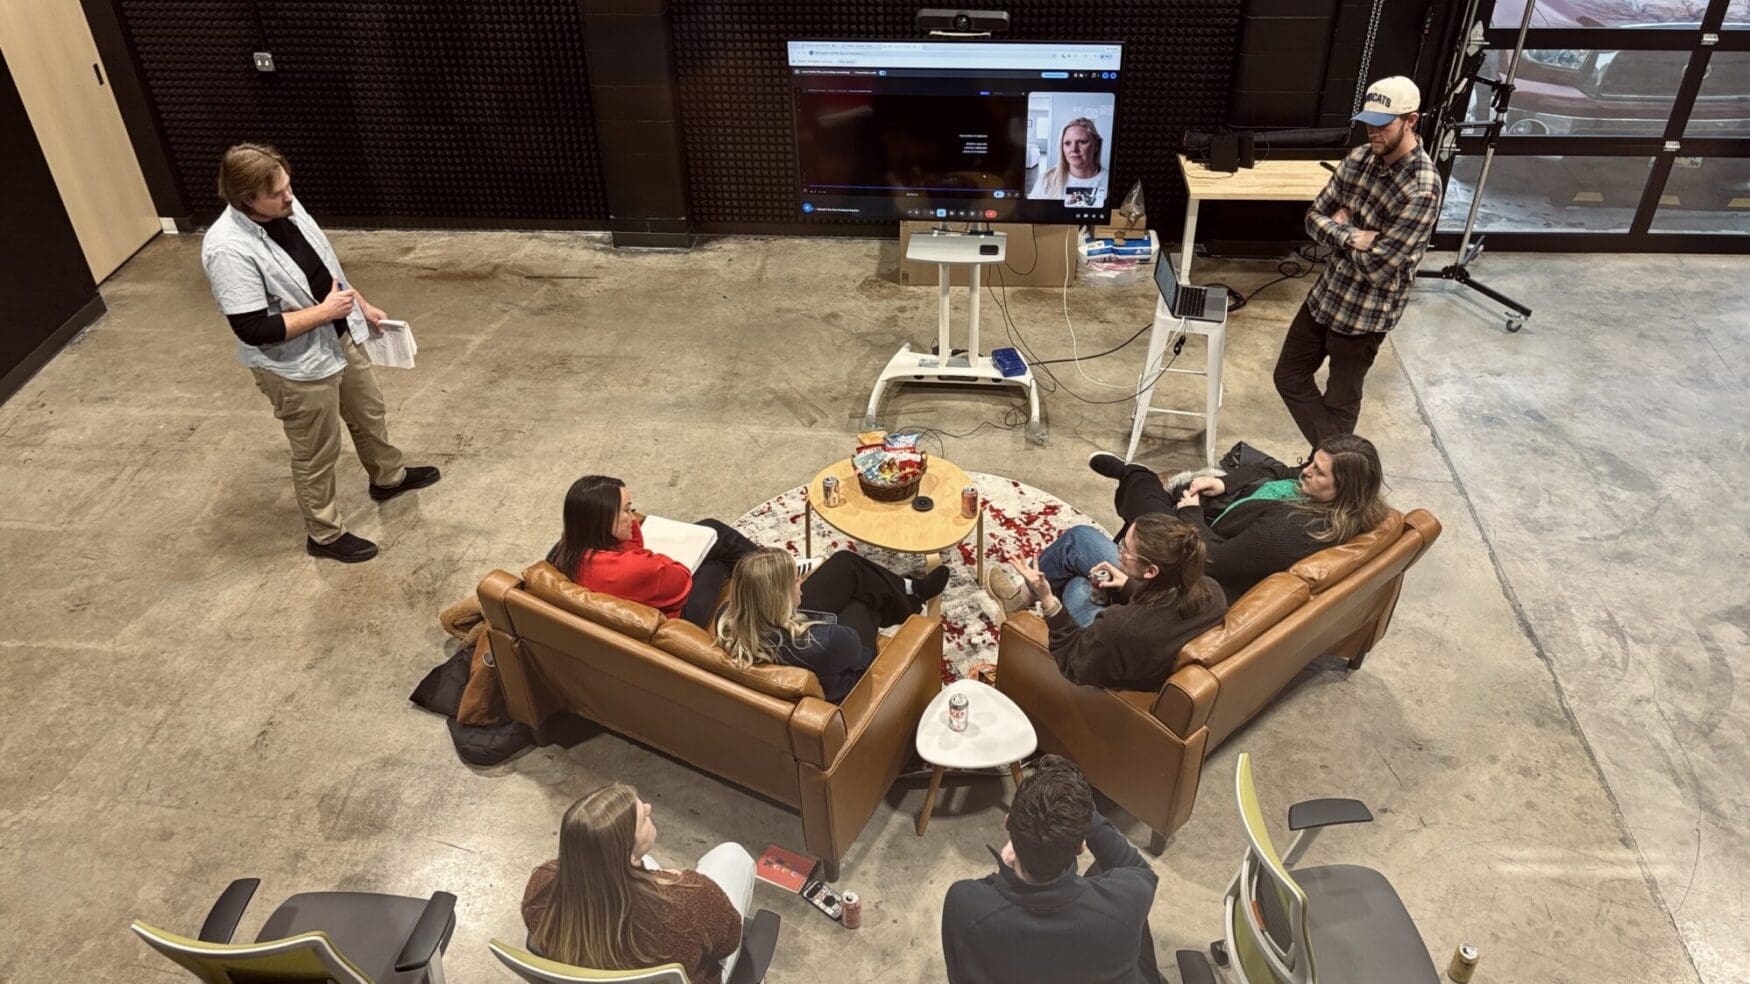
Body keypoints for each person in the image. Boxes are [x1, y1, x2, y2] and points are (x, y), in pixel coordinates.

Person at [200, 143, 439, 563]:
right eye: (277, 193)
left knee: (369, 411)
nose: (289, 196)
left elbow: (323, 265)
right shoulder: (227, 249)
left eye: (289, 186)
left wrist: (358, 302)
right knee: (316, 449)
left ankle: (388, 477)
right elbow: (255, 329)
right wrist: (325, 312)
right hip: (296, 367)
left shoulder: (285, 206)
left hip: (338, 335)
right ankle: (324, 534)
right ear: (247, 200)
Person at [1275, 76, 1441, 452]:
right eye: (1369, 122)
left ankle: (1332, 474)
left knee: (1340, 403)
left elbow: (1379, 268)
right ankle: (1336, 465)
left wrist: (1340, 225)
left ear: (1410, 121)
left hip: (1364, 317)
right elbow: (1312, 218)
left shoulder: (1422, 188)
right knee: (1288, 375)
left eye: (1383, 125)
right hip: (1326, 296)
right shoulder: (1360, 158)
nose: (1373, 132)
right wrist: (1354, 235)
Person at [941, 754, 1162, 984]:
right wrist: (1083, 812)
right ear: (1081, 846)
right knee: (1108, 872)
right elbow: (1141, 871)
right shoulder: (1124, 902)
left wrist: (1001, 876)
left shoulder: (963, 904)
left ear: (1008, 822)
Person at [1087, 436, 1388, 601]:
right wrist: (1225, 484)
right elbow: (1279, 470)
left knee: (1145, 494)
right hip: (1217, 524)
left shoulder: (1292, 529)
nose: (1307, 470)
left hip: (1197, 558)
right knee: (1158, 497)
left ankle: (1131, 474)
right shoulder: (1334, 501)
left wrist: (1190, 512)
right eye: (1311, 461)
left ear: (1345, 487)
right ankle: (1132, 488)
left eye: (1318, 471)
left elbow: (1215, 558)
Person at [522, 783, 755, 984]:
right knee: (732, 856)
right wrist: (677, 884)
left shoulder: (541, 886)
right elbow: (729, 942)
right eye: (643, 818)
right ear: (630, 858)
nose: (648, 808)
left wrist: (658, 880)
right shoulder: (688, 901)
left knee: (651, 863)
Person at [984, 514, 1226, 691]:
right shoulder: (1211, 591)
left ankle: (1019, 603)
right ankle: (1018, 600)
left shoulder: (1119, 626)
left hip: (1111, 654)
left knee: (1078, 584)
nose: (1118, 551)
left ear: (1151, 571)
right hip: (1144, 632)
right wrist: (1128, 585)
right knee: (1080, 539)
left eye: (1124, 549)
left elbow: (1073, 662)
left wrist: (1048, 599)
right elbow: (1162, 613)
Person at [550, 474, 801, 629]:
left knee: (710, 529)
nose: (633, 518)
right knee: (719, 562)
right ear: (602, 522)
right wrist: (655, 556)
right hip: (681, 615)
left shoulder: (566, 551)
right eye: (626, 511)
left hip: (647, 596)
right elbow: (680, 577)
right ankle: (779, 582)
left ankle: (770, 570)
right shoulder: (635, 568)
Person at [715, 548, 949, 703]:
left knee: (846, 565)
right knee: (861, 603)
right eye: (796, 581)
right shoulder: (830, 641)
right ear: (778, 597)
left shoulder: (726, 619)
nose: (802, 584)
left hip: (778, 629)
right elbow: (851, 651)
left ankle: (909, 590)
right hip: (841, 675)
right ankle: (910, 600)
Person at [1029, 118, 1108, 204]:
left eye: (1082, 142)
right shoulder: (1046, 180)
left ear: (1096, 145)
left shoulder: (1109, 181)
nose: (1074, 149)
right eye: (1067, 143)